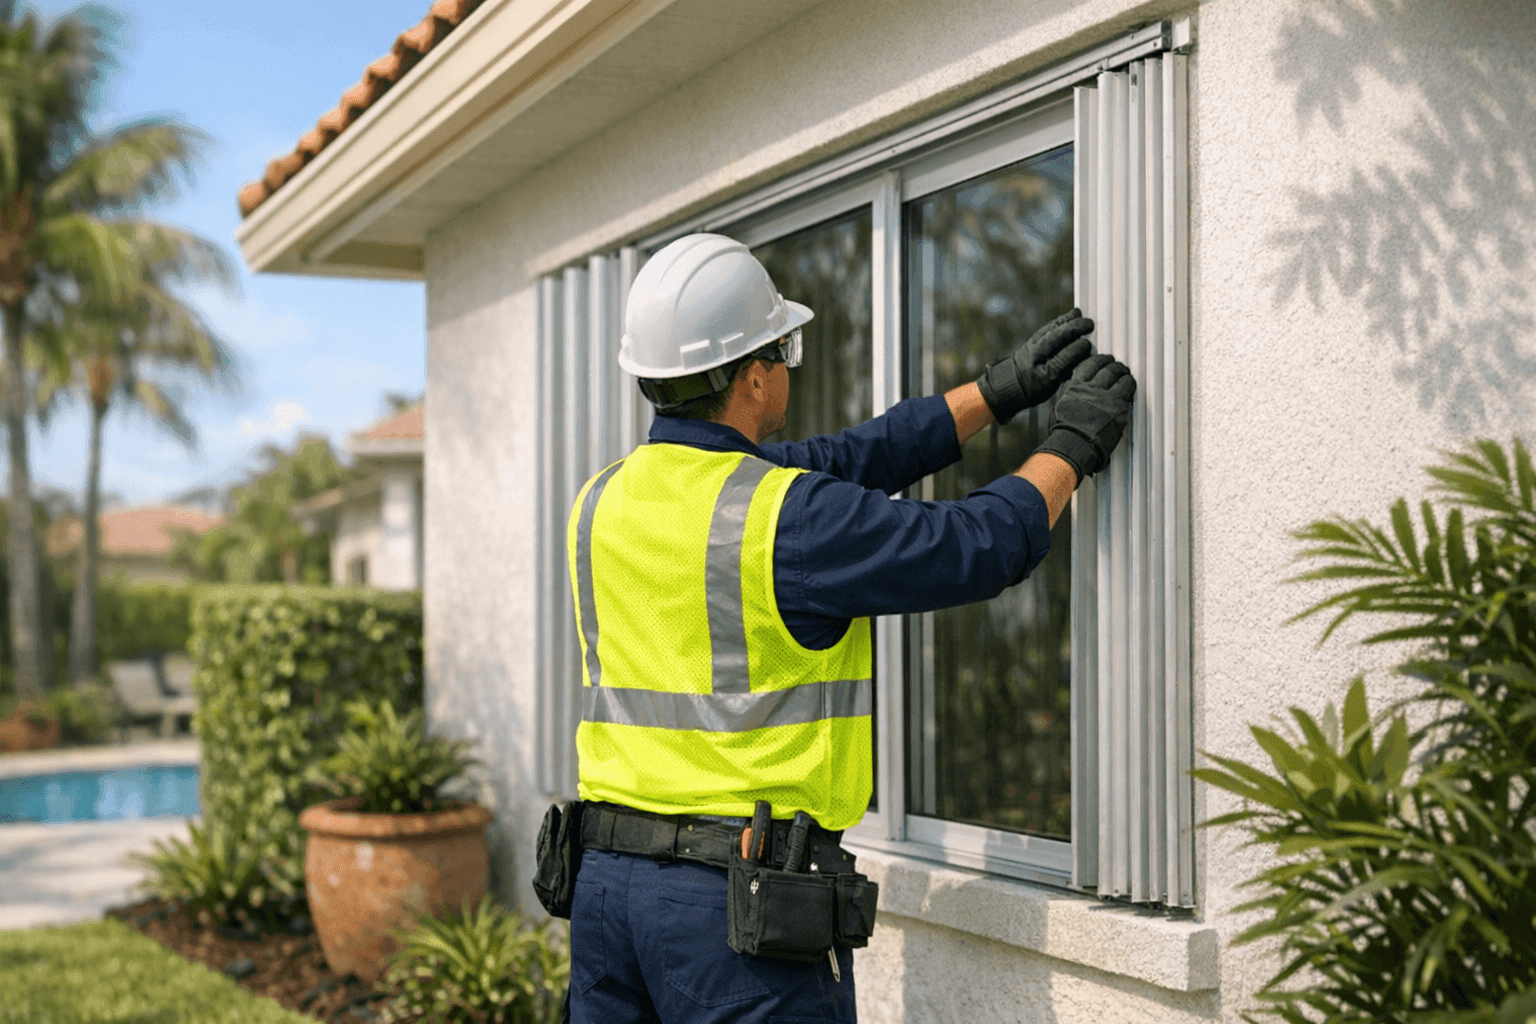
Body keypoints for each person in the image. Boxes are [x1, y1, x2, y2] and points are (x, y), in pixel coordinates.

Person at [561, 232, 1135, 1024]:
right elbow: (976, 546)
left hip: (606, 896)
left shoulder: (601, 503)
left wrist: (996, 392)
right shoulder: (785, 518)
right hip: (734, 915)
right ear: (755, 375)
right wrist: (1071, 445)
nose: (788, 367)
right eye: (782, 350)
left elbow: (849, 457)